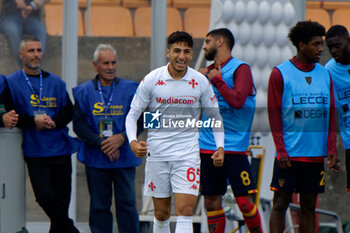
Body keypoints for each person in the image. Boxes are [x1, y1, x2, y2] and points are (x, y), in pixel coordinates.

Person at [125, 31, 225, 233]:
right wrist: (133, 141)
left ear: (191, 54)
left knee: (185, 210)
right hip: (158, 155)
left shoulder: (200, 82)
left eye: (187, 52)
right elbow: (132, 114)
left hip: (187, 154)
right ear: (168, 52)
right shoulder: (152, 79)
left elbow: (215, 117)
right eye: (177, 51)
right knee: (161, 214)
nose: (182, 56)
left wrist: (220, 146)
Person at [267, 20, 339, 233]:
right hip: (288, 155)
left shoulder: (325, 74)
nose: (321, 49)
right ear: (301, 45)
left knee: (309, 207)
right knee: (280, 204)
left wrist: (332, 150)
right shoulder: (280, 73)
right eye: (316, 44)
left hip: (315, 155)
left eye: (321, 44)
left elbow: (331, 114)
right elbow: (274, 116)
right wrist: (281, 152)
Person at [2, 35, 79, 233]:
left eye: (38, 50)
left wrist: (54, 122)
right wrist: (33, 121)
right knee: (44, 197)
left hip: (60, 148)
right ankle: (72, 230)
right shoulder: (10, 83)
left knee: (61, 203)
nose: (36, 55)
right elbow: (11, 113)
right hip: (35, 150)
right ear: (21, 55)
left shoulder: (56, 82)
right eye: (31, 51)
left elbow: (69, 110)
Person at [198, 28, 263, 233]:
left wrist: (217, 80)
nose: (204, 46)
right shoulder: (206, 72)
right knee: (211, 201)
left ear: (220, 42)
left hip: (234, 147)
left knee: (244, 202)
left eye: (208, 41)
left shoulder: (240, 69)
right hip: (207, 145)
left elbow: (237, 101)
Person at [72, 44, 141, 233]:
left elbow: (142, 120)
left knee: (127, 205)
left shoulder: (131, 89)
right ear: (95, 65)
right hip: (96, 158)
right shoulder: (84, 91)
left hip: (124, 157)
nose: (110, 67)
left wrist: (122, 138)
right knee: (99, 207)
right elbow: (78, 125)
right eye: (105, 63)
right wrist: (102, 143)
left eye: (113, 63)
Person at [325, 25, 350, 192]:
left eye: (337, 45)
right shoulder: (329, 71)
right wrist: (332, 149)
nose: (333, 50)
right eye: (329, 47)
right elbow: (330, 113)